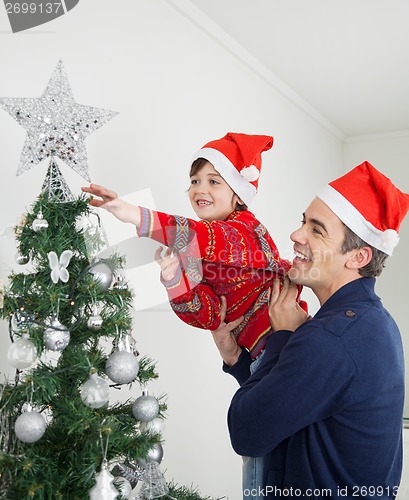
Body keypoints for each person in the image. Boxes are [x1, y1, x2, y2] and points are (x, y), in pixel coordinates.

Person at [212, 161, 408, 499]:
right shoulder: (373, 321)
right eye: (303, 222)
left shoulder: (330, 339)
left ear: (358, 257)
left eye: (317, 230)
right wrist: (237, 360)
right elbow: (292, 406)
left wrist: (282, 338)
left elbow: (247, 431)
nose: (296, 235)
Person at [82, 132, 306, 361]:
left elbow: (198, 235)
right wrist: (176, 282)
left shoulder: (246, 230)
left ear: (239, 195)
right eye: (194, 181)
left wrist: (133, 214)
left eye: (214, 181)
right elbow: (209, 316)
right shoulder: (197, 249)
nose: (199, 189)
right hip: (261, 359)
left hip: (296, 343)